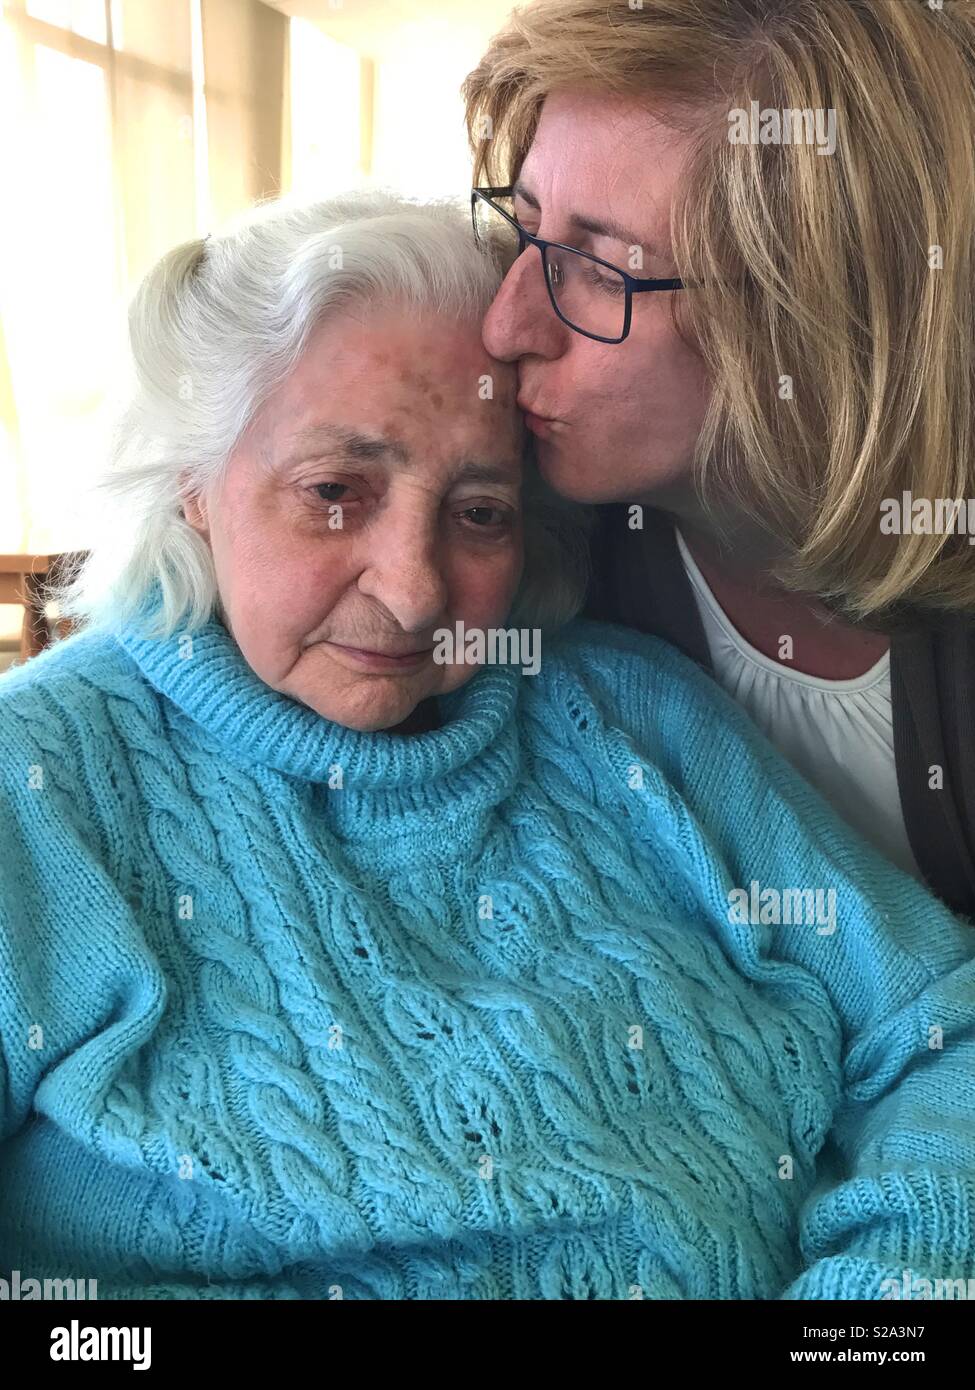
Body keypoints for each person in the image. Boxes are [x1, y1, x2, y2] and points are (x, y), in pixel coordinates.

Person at [1, 191, 974, 1300]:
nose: (414, 592)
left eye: (478, 511)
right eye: (334, 491)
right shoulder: (39, 779)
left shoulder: (628, 710)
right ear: (192, 485)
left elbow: (942, 1020)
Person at [463, 0, 975, 916]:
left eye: (603, 268)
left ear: (825, 319)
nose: (507, 327)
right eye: (527, 227)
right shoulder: (539, 560)